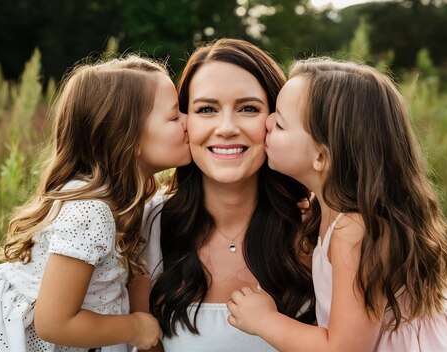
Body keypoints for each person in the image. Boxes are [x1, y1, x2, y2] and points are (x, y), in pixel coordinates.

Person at [226, 58, 447, 351]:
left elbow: (342, 348)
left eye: (280, 123)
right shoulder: (331, 210)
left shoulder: (354, 231)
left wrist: (265, 321)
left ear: (322, 157)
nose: (266, 122)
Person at [0, 55, 191, 352]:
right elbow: (54, 323)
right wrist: (136, 327)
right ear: (129, 136)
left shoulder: (128, 202)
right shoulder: (91, 211)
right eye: (175, 116)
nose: (189, 121)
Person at [130, 39, 316, 351]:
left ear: (277, 119)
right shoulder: (150, 225)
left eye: (248, 108)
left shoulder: (318, 226)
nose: (227, 127)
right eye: (206, 109)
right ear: (183, 121)